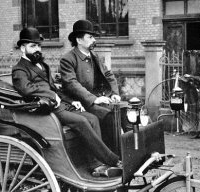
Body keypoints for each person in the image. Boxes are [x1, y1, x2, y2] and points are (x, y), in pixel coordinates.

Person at [12, 27, 122, 176]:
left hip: (60, 105)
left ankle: (96, 163)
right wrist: (51, 96)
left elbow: (55, 89)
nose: (37, 49)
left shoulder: (42, 65)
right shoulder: (19, 70)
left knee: (93, 118)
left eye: (38, 45)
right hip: (45, 110)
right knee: (82, 121)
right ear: (23, 48)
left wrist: (71, 100)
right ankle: (111, 160)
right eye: (33, 46)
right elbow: (27, 89)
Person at [59, 19, 123, 150]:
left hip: (100, 98)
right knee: (109, 116)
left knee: (126, 111)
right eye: (90, 37)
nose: (94, 40)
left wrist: (115, 93)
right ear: (79, 40)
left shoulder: (95, 56)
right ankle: (113, 155)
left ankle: (132, 151)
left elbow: (109, 75)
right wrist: (94, 99)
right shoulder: (68, 59)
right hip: (81, 103)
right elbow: (72, 84)